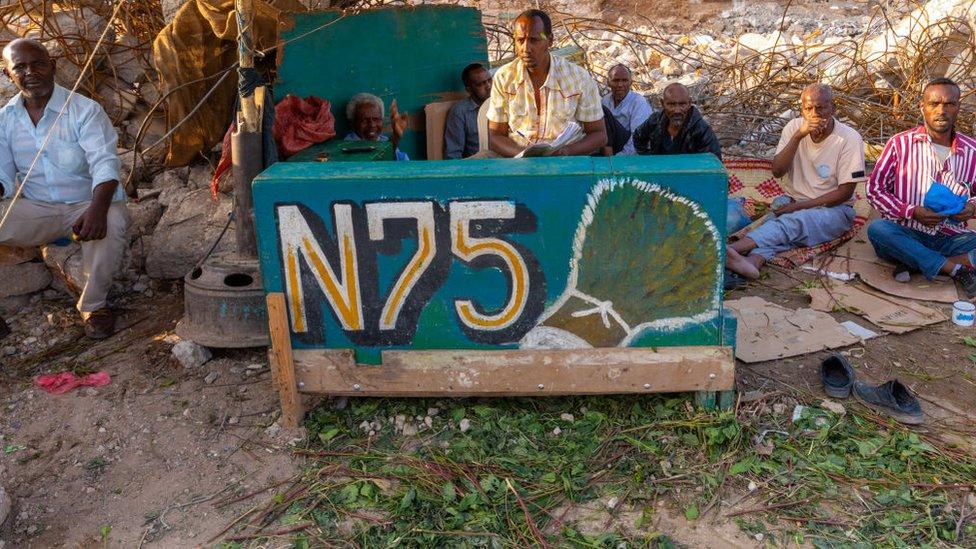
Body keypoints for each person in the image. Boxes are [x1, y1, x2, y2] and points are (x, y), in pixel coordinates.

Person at [0, 39, 128, 339]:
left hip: (87, 205)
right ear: (8, 75)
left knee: (113, 220)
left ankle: (94, 306)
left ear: (53, 66)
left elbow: (105, 166)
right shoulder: (5, 120)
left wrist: (97, 210)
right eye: (20, 67)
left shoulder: (85, 110)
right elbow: (4, 178)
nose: (31, 72)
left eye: (38, 63)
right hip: (38, 209)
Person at [726, 84, 865, 279]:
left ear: (833, 109)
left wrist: (800, 207)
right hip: (794, 202)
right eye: (808, 109)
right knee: (778, 227)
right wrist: (798, 136)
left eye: (821, 108)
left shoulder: (849, 138)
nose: (814, 114)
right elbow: (777, 171)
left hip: (835, 211)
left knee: (792, 222)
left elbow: (845, 192)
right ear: (802, 110)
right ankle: (752, 263)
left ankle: (727, 251)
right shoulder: (793, 128)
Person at [865, 77, 976, 296]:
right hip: (906, 232)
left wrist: (971, 207)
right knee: (878, 230)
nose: (941, 110)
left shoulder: (973, 151)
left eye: (949, 104)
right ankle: (955, 268)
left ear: (958, 107)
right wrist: (911, 211)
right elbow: (874, 190)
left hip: (951, 237)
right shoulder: (900, 144)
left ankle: (915, 262)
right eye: (934, 104)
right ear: (922, 107)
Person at [486, 9, 606, 157]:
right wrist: (523, 156)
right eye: (520, 40)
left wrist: (566, 152)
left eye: (534, 40)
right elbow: (495, 136)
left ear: (549, 40)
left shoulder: (578, 78)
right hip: (516, 159)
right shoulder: (504, 77)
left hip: (565, 161)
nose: (526, 48)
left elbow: (599, 135)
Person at [632, 82, 722, 159]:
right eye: (671, 104)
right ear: (662, 103)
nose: (677, 110)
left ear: (689, 103)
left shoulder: (701, 130)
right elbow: (638, 136)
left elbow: (712, 164)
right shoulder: (655, 120)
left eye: (682, 104)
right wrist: (649, 159)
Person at [601, 64, 652, 155]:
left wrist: (621, 158)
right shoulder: (605, 100)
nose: (620, 85)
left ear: (631, 82)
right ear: (608, 82)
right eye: (616, 80)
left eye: (624, 80)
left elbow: (637, 137)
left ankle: (609, 159)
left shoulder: (639, 102)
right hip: (609, 144)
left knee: (605, 114)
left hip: (628, 148)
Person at [445, 63, 491, 159]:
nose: (488, 86)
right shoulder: (460, 112)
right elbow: (453, 154)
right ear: (469, 90)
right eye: (480, 84)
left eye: (489, 80)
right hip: (479, 166)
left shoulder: (503, 102)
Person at [344, 92, 409, 161]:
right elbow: (375, 161)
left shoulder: (382, 139)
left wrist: (396, 135)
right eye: (364, 120)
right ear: (353, 123)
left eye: (376, 119)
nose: (372, 125)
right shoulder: (348, 145)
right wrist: (396, 137)